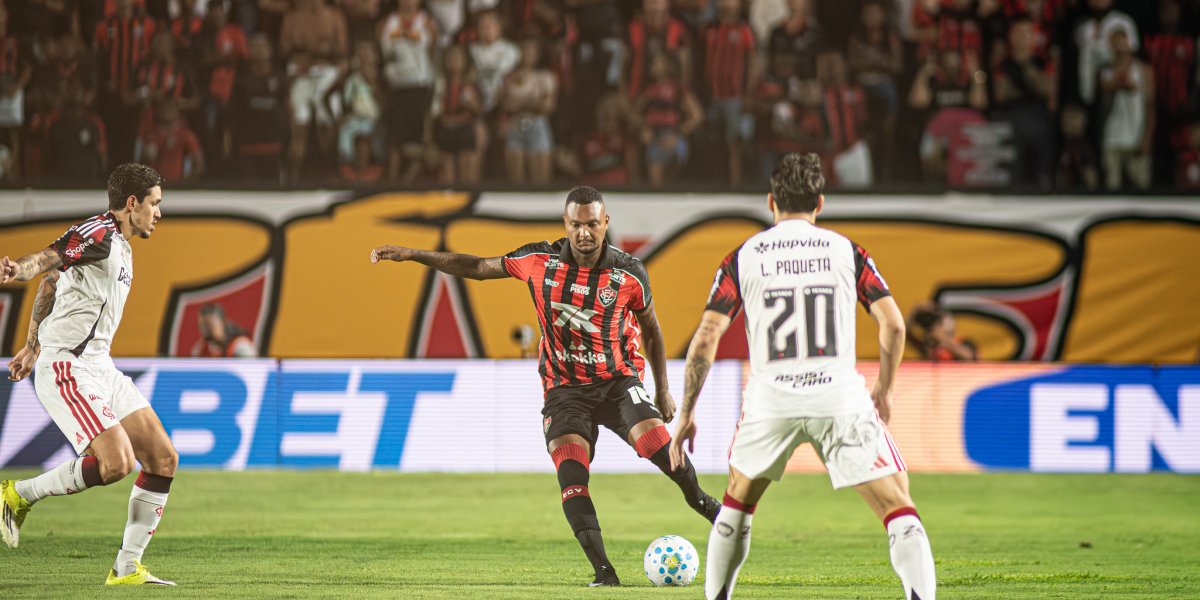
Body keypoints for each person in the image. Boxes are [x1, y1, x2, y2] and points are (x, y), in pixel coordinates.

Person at [370, 186, 720, 587]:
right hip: (564, 389)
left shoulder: (628, 273)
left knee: (655, 445)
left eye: (592, 223)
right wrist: (415, 254)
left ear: (605, 223)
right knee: (571, 472)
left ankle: (702, 502)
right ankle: (604, 573)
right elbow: (477, 267)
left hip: (618, 381)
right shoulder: (537, 260)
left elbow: (652, 331)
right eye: (576, 224)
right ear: (565, 225)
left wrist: (662, 389)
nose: (585, 232)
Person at [669, 153, 936, 600]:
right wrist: (884, 391)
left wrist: (687, 413)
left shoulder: (744, 256)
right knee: (898, 505)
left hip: (770, 400)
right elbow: (894, 324)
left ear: (771, 201)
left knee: (737, 501)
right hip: (839, 397)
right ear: (820, 202)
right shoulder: (846, 251)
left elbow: (706, 336)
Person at [1, 163, 179, 586]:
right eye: (154, 203)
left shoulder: (121, 245)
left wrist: (29, 344)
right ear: (131, 203)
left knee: (163, 458)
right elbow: (46, 260)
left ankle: (126, 567)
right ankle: (16, 495)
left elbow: (51, 284)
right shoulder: (99, 232)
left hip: (100, 365)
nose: (159, 212)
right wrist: (16, 270)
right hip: (68, 364)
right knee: (117, 463)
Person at [192, 302, 256, 357]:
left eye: (209, 325)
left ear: (223, 322)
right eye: (201, 325)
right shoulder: (200, 349)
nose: (204, 330)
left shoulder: (240, 346)